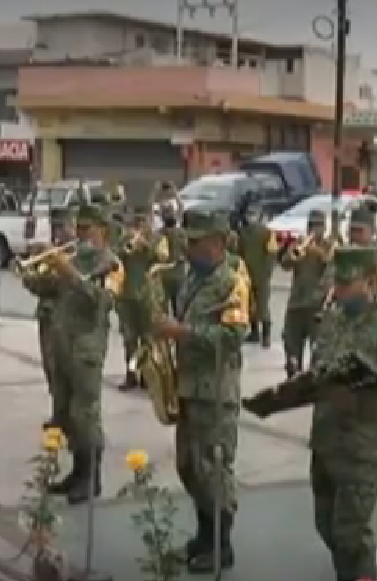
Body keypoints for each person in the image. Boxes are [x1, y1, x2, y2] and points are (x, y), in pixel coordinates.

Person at [248, 245, 377, 580]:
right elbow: (321, 371)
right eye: (336, 283)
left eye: (346, 283)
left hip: (362, 447)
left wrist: (359, 400)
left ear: (369, 283)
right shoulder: (331, 319)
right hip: (325, 441)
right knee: (327, 527)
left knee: (352, 535)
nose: (337, 290)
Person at [155, 207, 248, 573]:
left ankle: (220, 545)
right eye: (188, 241)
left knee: (214, 469)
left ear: (217, 242)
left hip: (216, 391)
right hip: (190, 386)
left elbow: (234, 337)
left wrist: (181, 333)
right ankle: (203, 533)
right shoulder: (193, 278)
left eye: (196, 242)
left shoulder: (232, 282)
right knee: (189, 467)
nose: (188, 249)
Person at [43, 204, 122, 505]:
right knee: (64, 412)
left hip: (86, 350)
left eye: (86, 229)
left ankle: (92, 477)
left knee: (84, 414)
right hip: (63, 345)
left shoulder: (111, 264)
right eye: (79, 228)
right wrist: (40, 269)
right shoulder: (75, 258)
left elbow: (101, 301)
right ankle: (76, 472)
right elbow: (49, 290)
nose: (80, 235)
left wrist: (70, 273)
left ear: (102, 230)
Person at [23, 206, 77, 428]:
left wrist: (34, 275)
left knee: (66, 369)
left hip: (66, 319)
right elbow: (39, 285)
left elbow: (53, 285)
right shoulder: (54, 252)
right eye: (55, 227)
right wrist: (32, 267)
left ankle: (71, 416)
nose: (59, 232)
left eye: (63, 227)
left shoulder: (74, 254)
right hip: (48, 316)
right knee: (50, 367)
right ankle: (59, 413)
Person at [116, 207, 169, 391]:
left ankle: (148, 375)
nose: (140, 226)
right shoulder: (125, 239)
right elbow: (115, 257)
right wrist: (128, 242)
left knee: (148, 338)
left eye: (143, 222)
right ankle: (131, 374)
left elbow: (164, 258)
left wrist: (146, 246)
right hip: (128, 294)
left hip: (149, 296)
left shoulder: (158, 239)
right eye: (136, 223)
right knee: (129, 339)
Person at [280, 209, 333, 378]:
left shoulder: (329, 245)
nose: (314, 229)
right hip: (296, 302)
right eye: (312, 225)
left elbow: (331, 265)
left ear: (324, 228)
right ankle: (293, 377)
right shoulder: (300, 243)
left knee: (318, 349)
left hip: (317, 306)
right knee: (291, 345)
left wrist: (317, 251)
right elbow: (285, 264)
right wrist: (294, 252)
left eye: (318, 225)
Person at [237, 198, 280, 346]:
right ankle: (254, 333)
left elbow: (272, 253)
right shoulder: (242, 232)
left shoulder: (267, 233)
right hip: (246, 274)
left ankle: (266, 335)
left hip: (261, 275)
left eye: (254, 214)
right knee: (250, 305)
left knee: (262, 306)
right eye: (249, 214)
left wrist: (267, 271)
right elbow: (239, 252)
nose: (251, 217)